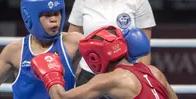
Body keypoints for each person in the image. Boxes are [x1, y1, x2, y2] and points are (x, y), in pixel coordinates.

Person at [67, 0, 156, 84]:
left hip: (126, 76)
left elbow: (144, 50)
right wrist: (70, 74)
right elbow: (72, 41)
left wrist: (142, 81)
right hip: (89, 74)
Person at [31, 26, 178, 99]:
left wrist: (51, 75)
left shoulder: (108, 79)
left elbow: (62, 97)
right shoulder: (153, 71)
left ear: (95, 57)